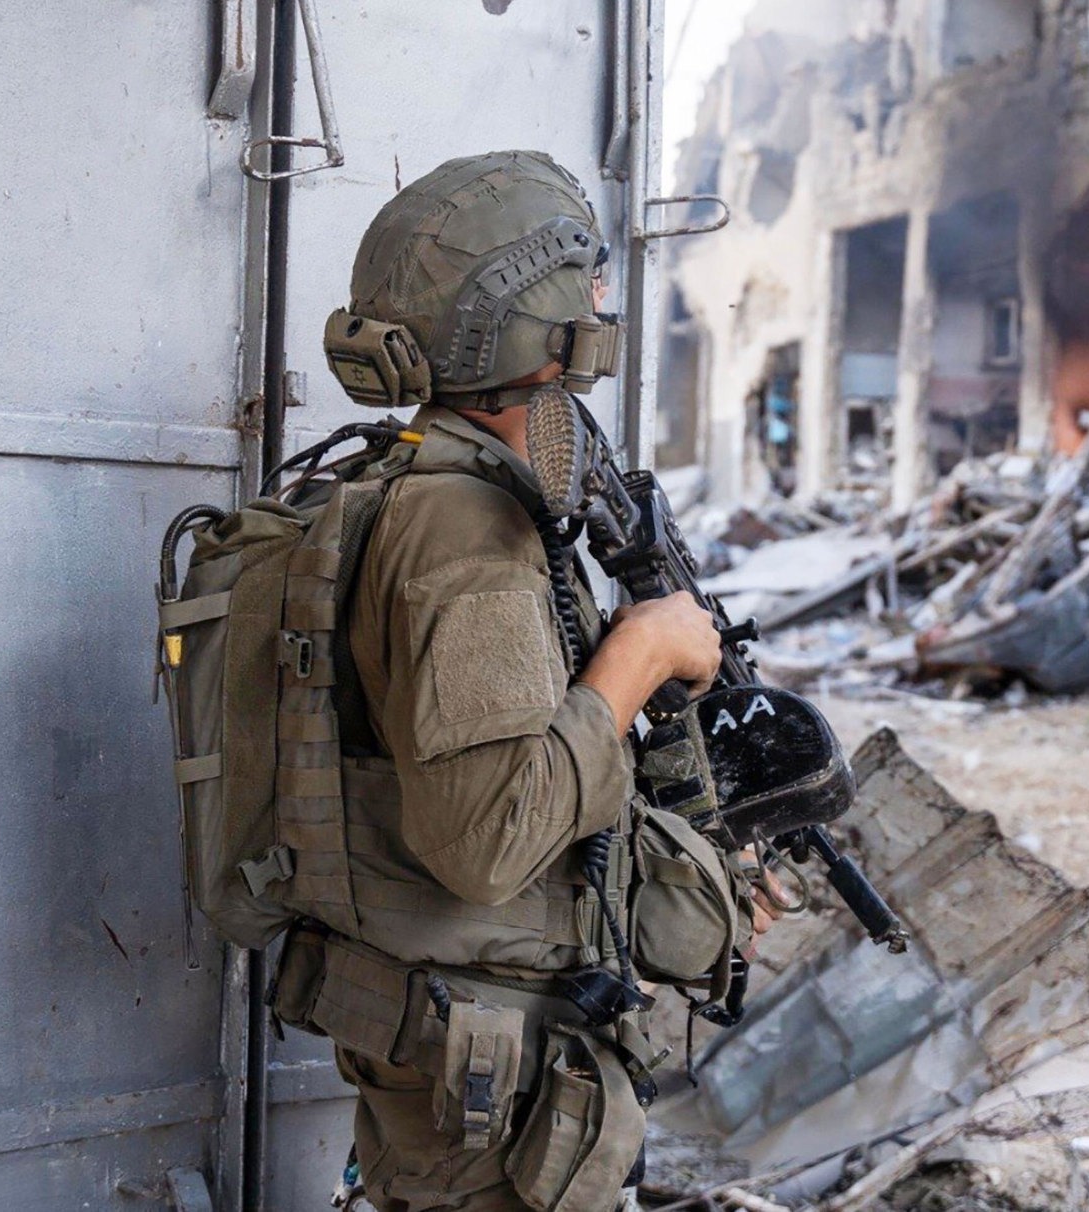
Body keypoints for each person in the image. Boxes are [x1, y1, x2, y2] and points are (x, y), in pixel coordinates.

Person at [289, 150, 768, 1211]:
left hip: (485, 1056)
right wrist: (640, 656)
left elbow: (524, 762)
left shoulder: (446, 487)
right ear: (543, 323)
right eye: (587, 282)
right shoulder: (464, 528)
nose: (601, 300)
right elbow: (488, 838)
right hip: (489, 1100)